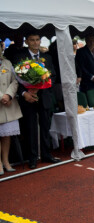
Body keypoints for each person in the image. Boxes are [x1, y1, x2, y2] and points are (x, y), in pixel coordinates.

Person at [15, 33, 60, 169]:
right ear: (27, 42)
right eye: (32, 40)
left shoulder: (47, 57)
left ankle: (46, 154)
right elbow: (17, 79)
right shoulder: (20, 58)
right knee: (31, 128)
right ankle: (33, 158)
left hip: (44, 96)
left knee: (45, 126)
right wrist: (26, 92)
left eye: (37, 40)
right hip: (29, 98)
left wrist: (41, 84)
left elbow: (54, 76)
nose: (35, 43)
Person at [0, 52, 22, 175]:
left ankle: (6, 161)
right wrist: (2, 96)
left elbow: (15, 81)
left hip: (8, 104)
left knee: (6, 135)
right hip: (1, 103)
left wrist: (9, 95)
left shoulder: (7, 63)